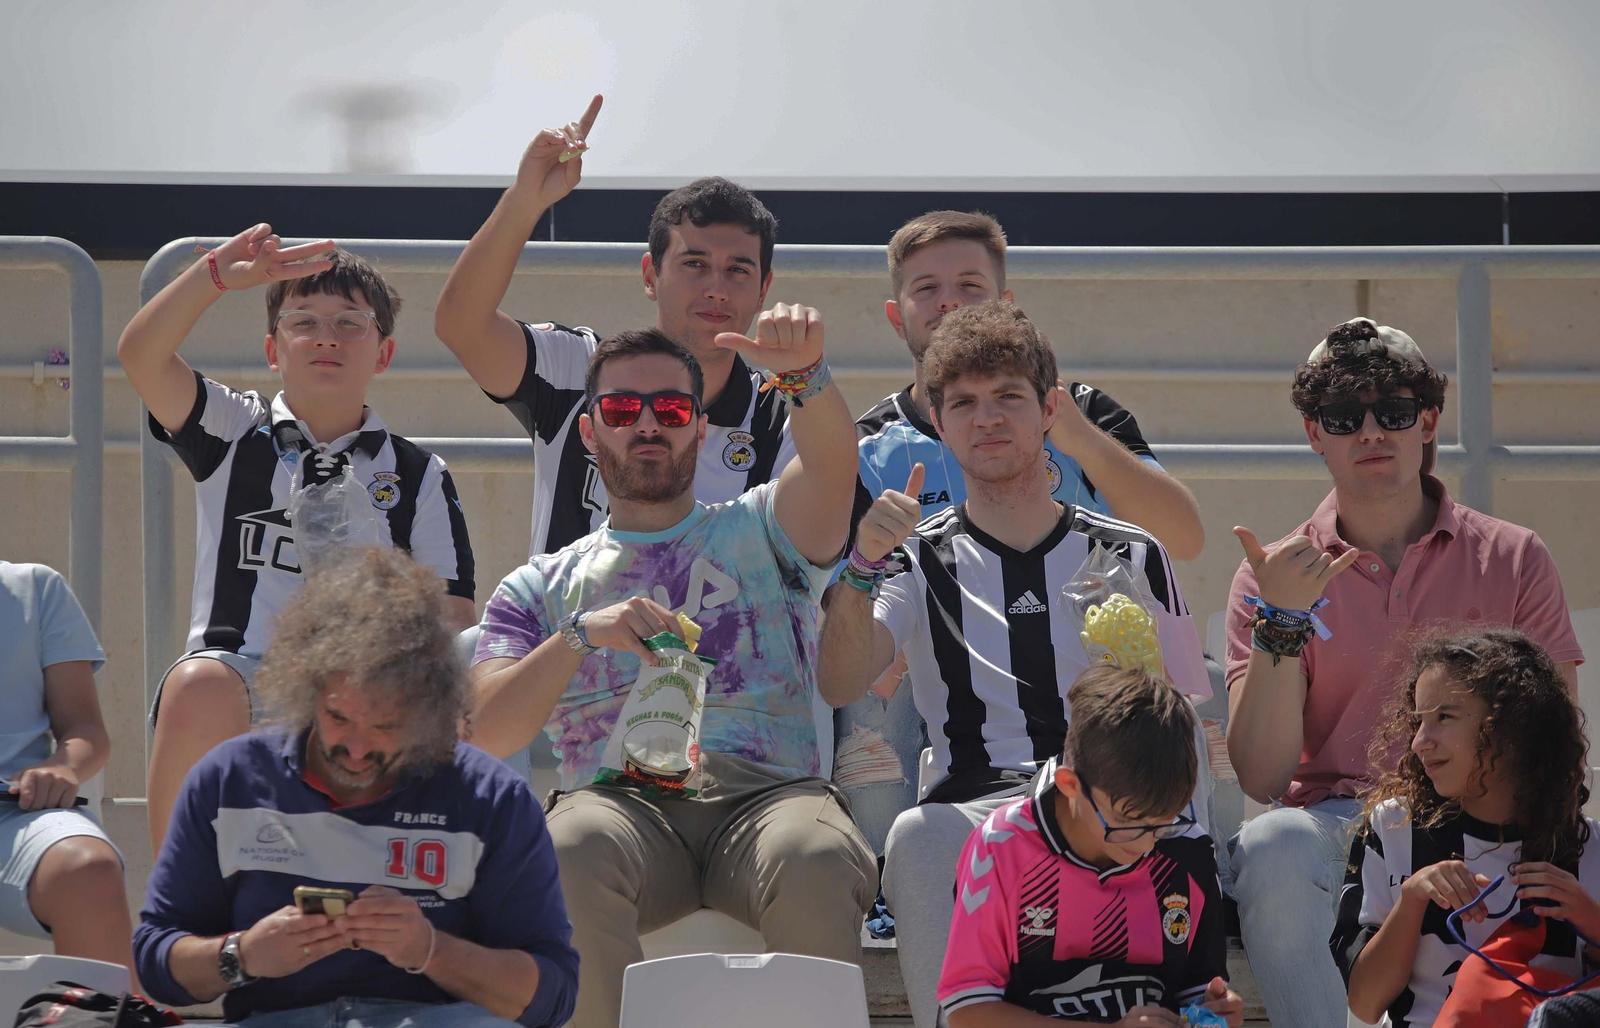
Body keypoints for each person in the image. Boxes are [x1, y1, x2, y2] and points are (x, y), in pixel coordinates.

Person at [816, 300, 1212, 1028]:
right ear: (939, 423)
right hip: (976, 815)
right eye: (963, 402)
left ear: (1050, 410)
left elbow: (1183, 711)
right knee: (914, 837)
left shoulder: (1132, 552)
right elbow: (841, 679)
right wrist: (861, 565)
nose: (986, 418)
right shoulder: (911, 556)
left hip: (1115, 815)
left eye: (1008, 397)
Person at [470, 318, 874, 1028]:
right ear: (591, 434)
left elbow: (836, 466)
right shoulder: (536, 588)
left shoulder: (763, 527)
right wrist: (578, 637)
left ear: (701, 430)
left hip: (769, 799)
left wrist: (807, 375)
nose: (648, 424)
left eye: (672, 409)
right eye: (623, 410)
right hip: (619, 808)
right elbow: (484, 730)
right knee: (565, 846)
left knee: (814, 852)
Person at [1225, 317, 1584, 1028]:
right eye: (1342, 416)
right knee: (1269, 845)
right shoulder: (1270, 574)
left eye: (1392, 411)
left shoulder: (1514, 555)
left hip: (1483, 820)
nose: (1370, 433)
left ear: (1428, 422)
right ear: (1313, 433)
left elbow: (1555, 744)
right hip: (1334, 820)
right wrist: (1284, 619)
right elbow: (1263, 778)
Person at [836, 210, 1204, 866]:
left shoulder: (1079, 411)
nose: (948, 303)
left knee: (1190, 679)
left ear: (1008, 306)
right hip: (931, 687)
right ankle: (882, 881)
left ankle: (1202, 863)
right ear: (897, 316)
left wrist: (1063, 424)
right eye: (927, 289)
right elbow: (844, 650)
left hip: (1080, 696)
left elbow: (1181, 535)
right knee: (874, 661)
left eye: (969, 287)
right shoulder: (870, 443)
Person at [120, 226, 476, 855]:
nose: (325, 337)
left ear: (384, 353)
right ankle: (176, 917)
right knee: (197, 687)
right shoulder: (234, 432)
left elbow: (452, 615)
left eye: (350, 323)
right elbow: (142, 355)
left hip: (365, 695)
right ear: (272, 348)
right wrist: (215, 276)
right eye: (302, 321)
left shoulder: (419, 475)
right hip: (240, 682)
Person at [133, 547, 576, 1028]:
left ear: (429, 710)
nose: (359, 748)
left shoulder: (491, 799)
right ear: (308, 690)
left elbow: (551, 995)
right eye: (338, 718)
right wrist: (243, 955)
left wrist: (431, 950)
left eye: (386, 726)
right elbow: (156, 962)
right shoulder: (230, 780)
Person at [434, 96, 797, 557]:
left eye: (738, 271)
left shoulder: (780, 416)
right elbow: (460, 323)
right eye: (695, 263)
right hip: (562, 630)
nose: (717, 289)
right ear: (650, 275)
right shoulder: (575, 367)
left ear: (764, 289)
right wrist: (528, 198)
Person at [940, 665, 1241, 1027]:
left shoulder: (1187, 850)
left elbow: (1196, 993)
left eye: (1162, 820)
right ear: (1070, 785)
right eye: (1127, 822)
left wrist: (1214, 1014)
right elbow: (966, 1014)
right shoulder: (1001, 847)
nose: (1147, 845)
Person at [1334, 629, 1600, 1027]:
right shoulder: (1393, 828)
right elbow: (1365, 1003)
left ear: (1512, 727)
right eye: (1418, 722)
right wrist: (1411, 902)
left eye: (1444, 717)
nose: (1420, 742)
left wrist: (1590, 918)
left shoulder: (1589, 845)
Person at [0, 561, 136, 983]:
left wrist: (61, 768)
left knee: (87, 869)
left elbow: (85, 730)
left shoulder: (36, 587)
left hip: (15, 812)